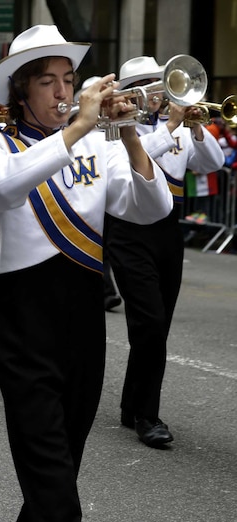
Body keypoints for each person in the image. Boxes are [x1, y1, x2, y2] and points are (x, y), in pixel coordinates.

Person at [0, 25, 172, 522]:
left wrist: (127, 135)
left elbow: (150, 209)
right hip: (24, 319)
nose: (63, 92)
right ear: (22, 92)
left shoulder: (98, 144)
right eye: (49, 82)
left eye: (69, 80)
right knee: (52, 480)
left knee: (60, 469)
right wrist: (81, 125)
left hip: (83, 321)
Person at [106, 56, 224, 447]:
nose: (156, 92)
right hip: (127, 230)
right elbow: (130, 162)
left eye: (158, 83)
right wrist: (171, 125)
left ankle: (130, 404)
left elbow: (214, 164)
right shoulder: (115, 129)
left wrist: (196, 128)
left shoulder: (177, 127)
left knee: (157, 325)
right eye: (146, 84)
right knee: (149, 323)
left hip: (167, 232)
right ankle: (147, 415)